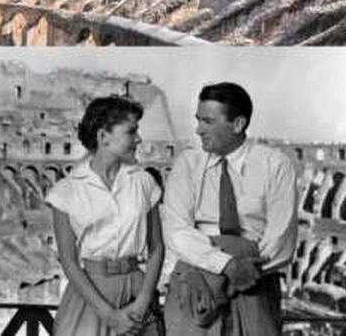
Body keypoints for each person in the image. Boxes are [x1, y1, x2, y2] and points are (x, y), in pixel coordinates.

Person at [162, 82, 297, 335]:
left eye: (208, 122)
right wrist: (226, 265)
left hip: (253, 287)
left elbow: (281, 243)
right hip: (196, 288)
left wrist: (240, 269)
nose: (198, 129)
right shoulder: (188, 164)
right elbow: (176, 232)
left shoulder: (275, 165)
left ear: (238, 124)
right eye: (198, 120)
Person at [46, 96, 164, 335]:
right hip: (90, 297)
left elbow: (157, 248)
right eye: (131, 132)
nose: (138, 139)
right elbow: (69, 261)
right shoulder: (65, 191)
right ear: (103, 137)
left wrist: (142, 304)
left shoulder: (143, 182)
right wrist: (109, 315)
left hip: (137, 292)